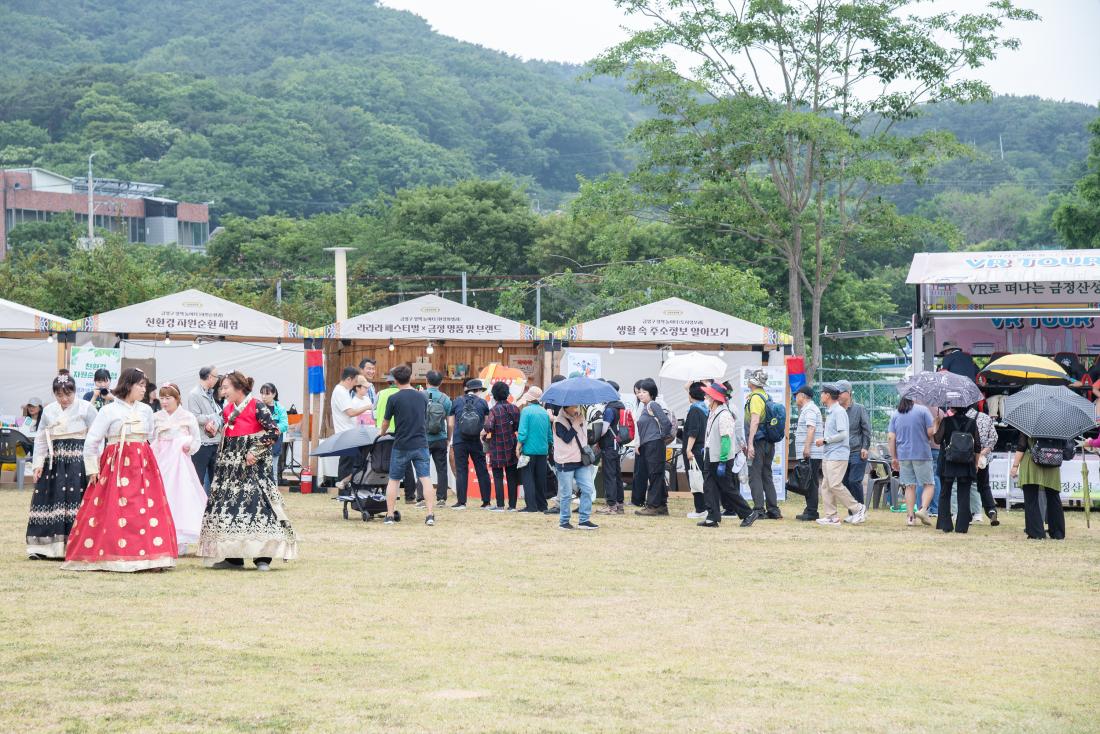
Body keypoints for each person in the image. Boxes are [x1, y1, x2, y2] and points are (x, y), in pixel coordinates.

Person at [63, 368, 179, 572]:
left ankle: (148, 557)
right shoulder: (109, 410)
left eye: (145, 385)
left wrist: (143, 455)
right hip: (115, 464)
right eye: (141, 385)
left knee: (144, 508)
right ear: (128, 385)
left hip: (142, 463)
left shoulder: (145, 410)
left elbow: (149, 435)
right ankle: (113, 553)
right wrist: (92, 469)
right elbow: (92, 441)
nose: (144, 390)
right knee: (115, 508)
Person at [200, 371, 298, 570]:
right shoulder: (228, 408)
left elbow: (273, 430)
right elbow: (222, 424)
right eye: (221, 388)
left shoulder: (257, 405)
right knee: (229, 508)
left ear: (238, 388)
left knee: (257, 506)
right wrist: (213, 427)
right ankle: (233, 557)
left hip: (253, 466)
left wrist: (255, 450)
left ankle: (263, 558)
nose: (223, 391)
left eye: (226, 387)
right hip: (230, 468)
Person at [26, 374, 97, 559]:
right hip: (54, 460)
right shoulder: (49, 410)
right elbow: (41, 438)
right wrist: (38, 464)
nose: (64, 399)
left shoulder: (86, 408)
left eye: (68, 394)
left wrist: (93, 466)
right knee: (50, 500)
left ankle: (77, 547)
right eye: (59, 395)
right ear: (54, 394)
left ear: (75, 392)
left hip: (77, 460)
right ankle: (45, 549)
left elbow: (96, 438)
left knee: (76, 500)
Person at [380, 363, 437, 526]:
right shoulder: (423, 397)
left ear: (395, 380)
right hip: (421, 443)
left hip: (401, 444)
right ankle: (430, 515)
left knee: (394, 480)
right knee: (425, 479)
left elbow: (385, 422)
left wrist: (382, 433)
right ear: (411, 378)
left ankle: (390, 515)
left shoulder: (393, 398)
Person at [151, 383, 206, 551]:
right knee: (162, 493)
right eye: (162, 398)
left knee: (181, 494)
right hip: (162, 458)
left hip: (180, 461)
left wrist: (190, 447)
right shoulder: (156, 417)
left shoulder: (187, 416)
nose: (164, 402)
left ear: (177, 399)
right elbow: (151, 438)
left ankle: (181, 538)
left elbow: (197, 439)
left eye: (168, 398)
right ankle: (161, 534)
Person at [697, 380, 754, 527]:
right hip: (712, 454)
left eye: (708, 396)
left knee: (727, 487)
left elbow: (726, 439)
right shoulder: (713, 412)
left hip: (721, 457)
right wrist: (707, 447)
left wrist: (722, 460)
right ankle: (712, 517)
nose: (705, 398)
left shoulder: (724, 415)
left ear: (714, 399)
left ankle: (748, 513)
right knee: (710, 486)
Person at [814, 384, 866, 526]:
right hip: (829, 454)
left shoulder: (838, 412)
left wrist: (825, 440)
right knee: (826, 485)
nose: (820, 396)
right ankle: (832, 516)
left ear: (828, 395)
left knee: (835, 484)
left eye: (822, 393)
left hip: (838, 454)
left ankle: (858, 508)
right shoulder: (831, 411)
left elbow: (843, 434)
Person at [887, 396, 936, 527]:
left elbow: (891, 437)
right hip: (922, 453)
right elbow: (930, 432)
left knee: (909, 486)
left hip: (903, 455)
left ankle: (910, 517)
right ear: (914, 397)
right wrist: (936, 424)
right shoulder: (923, 410)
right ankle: (923, 510)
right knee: (929, 484)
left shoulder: (896, 414)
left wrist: (894, 457)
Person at [932, 404, 980, 534]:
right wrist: (976, 463)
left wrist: (936, 424)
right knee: (964, 494)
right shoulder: (972, 423)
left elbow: (937, 440)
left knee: (945, 492)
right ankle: (962, 526)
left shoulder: (946, 421)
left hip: (948, 461)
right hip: (966, 462)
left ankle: (945, 524)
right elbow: (977, 446)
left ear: (953, 408)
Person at [1010, 432, 1066, 540]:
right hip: (1052, 462)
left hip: (1032, 461)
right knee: (1053, 497)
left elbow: (1022, 446)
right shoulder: (1057, 424)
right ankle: (1057, 533)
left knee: (1031, 498)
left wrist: (1015, 466)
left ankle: (1036, 533)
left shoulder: (1030, 422)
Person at [552, 404, 598, 530]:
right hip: (565, 461)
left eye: (576, 406)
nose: (576, 409)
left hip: (581, 460)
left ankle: (584, 520)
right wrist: (576, 424)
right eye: (573, 407)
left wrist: (582, 422)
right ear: (565, 407)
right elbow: (567, 438)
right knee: (566, 494)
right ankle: (564, 521)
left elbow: (584, 438)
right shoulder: (558, 421)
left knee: (588, 489)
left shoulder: (579, 417)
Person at [374, 370, 418, 503]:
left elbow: (374, 413)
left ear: (388, 382)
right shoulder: (407, 394)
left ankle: (382, 492)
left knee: (383, 462)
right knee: (407, 465)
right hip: (402, 433)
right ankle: (410, 496)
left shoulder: (380, 394)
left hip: (384, 433)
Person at [449, 378, 492, 510]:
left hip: (459, 440)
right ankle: (486, 502)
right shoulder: (483, 403)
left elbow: (451, 423)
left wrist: (451, 439)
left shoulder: (456, 401)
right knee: (482, 469)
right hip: (476, 441)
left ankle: (461, 502)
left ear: (467, 390)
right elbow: (486, 424)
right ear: (478, 390)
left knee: (461, 470)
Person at [744, 369, 781, 519]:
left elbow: (755, 420)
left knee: (754, 475)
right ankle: (773, 509)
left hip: (758, 441)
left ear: (752, 382)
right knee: (767, 475)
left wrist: (750, 443)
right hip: (769, 443)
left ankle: (759, 509)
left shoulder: (755, 398)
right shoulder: (767, 396)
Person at [633, 378, 673, 516]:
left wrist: (661, 437)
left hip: (654, 444)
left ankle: (653, 506)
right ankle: (661, 505)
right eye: (639, 392)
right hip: (649, 444)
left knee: (655, 475)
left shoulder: (653, 405)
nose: (640, 394)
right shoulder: (645, 406)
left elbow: (666, 423)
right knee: (656, 474)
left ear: (651, 393)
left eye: (644, 392)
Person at [331, 366, 371, 491]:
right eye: (354, 382)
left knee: (350, 463)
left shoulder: (343, 391)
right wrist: (367, 407)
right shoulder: (340, 391)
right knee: (346, 464)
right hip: (345, 433)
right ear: (349, 379)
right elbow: (351, 412)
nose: (355, 385)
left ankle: (346, 490)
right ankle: (343, 492)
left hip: (348, 432)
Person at [482, 381, 521, 511]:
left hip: (497, 446)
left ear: (494, 395)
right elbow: (517, 427)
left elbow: (488, 427)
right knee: (512, 476)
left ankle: (499, 505)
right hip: (511, 444)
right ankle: (512, 506)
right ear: (507, 394)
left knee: (498, 476)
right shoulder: (515, 408)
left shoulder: (494, 410)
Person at [187, 366, 223, 493]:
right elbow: (195, 417)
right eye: (216, 376)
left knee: (216, 480)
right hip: (201, 443)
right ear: (209, 377)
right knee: (198, 479)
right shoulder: (194, 394)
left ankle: (212, 508)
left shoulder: (210, 393)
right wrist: (213, 417)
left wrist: (217, 419)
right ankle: (196, 508)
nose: (217, 379)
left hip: (215, 441)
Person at [516, 386, 551, 513]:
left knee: (528, 478)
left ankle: (531, 506)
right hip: (543, 450)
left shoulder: (526, 411)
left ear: (529, 399)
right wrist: (549, 448)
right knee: (541, 479)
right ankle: (542, 505)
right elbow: (549, 435)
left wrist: (518, 446)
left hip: (528, 450)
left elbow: (523, 433)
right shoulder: (544, 412)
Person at [791, 385, 823, 522]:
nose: (795, 398)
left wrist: (807, 448)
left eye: (796, 395)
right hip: (811, 452)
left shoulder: (810, 409)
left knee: (810, 481)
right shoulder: (808, 409)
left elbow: (811, 429)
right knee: (809, 480)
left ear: (803, 396)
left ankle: (812, 511)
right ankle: (810, 508)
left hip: (811, 452)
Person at [965, 403, 1000, 526]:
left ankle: (969, 513)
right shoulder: (986, 418)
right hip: (983, 459)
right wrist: (983, 452)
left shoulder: (963, 417)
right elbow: (994, 437)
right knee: (984, 486)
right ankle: (991, 510)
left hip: (967, 458)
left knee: (967, 486)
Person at [837, 380, 871, 505]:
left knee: (854, 481)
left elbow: (867, 430)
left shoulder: (859, 409)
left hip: (857, 451)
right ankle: (853, 510)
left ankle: (860, 509)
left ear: (849, 393)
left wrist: (865, 447)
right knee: (845, 482)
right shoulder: (836, 410)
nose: (838, 395)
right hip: (841, 452)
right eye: (837, 392)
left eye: (841, 392)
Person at [596, 380, 626, 515]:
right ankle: (619, 504)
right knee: (617, 475)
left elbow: (604, 429)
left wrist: (595, 437)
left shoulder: (609, 409)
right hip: (617, 444)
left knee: (609, 475)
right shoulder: (620, 406)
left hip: (609, 445)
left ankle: (611, 505)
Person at [424, 370, 453, 506]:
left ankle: (422, 498)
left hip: (423, 438)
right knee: (441, 468)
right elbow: (450, 423)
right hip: (440, 437)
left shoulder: (420, 396)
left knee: (422, 468)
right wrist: (448, 438)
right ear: (441, 382)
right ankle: (441, 498)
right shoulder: (445, 399)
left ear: (426, 381)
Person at [682, 381, 710, 519]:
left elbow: (693, 432)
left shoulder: (694, 409)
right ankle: (706, 507)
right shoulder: (706, 408)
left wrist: (688, 449)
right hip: (702, 448)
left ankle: (700, 509)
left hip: (694, 449)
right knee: (701, 478)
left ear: (691, 395)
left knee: (695, 478)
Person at [259, 383, 289, 485]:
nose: (264, 396)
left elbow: (284, 425)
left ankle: (274, 499)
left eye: (267, 394)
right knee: (259, 473)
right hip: (259, 445)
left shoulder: (280, 408)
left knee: (273, 473)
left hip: (274, 444)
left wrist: (271, 430)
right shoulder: (258, 407)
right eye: (262, 393)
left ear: (274, 394)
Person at [357, 357, 379, 423]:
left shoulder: (371, 386)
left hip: (370, 421)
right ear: (361, 370)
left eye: (373, 369)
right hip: (360, 422)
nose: (372, 371)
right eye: (369, 369)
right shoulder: (356, 385)